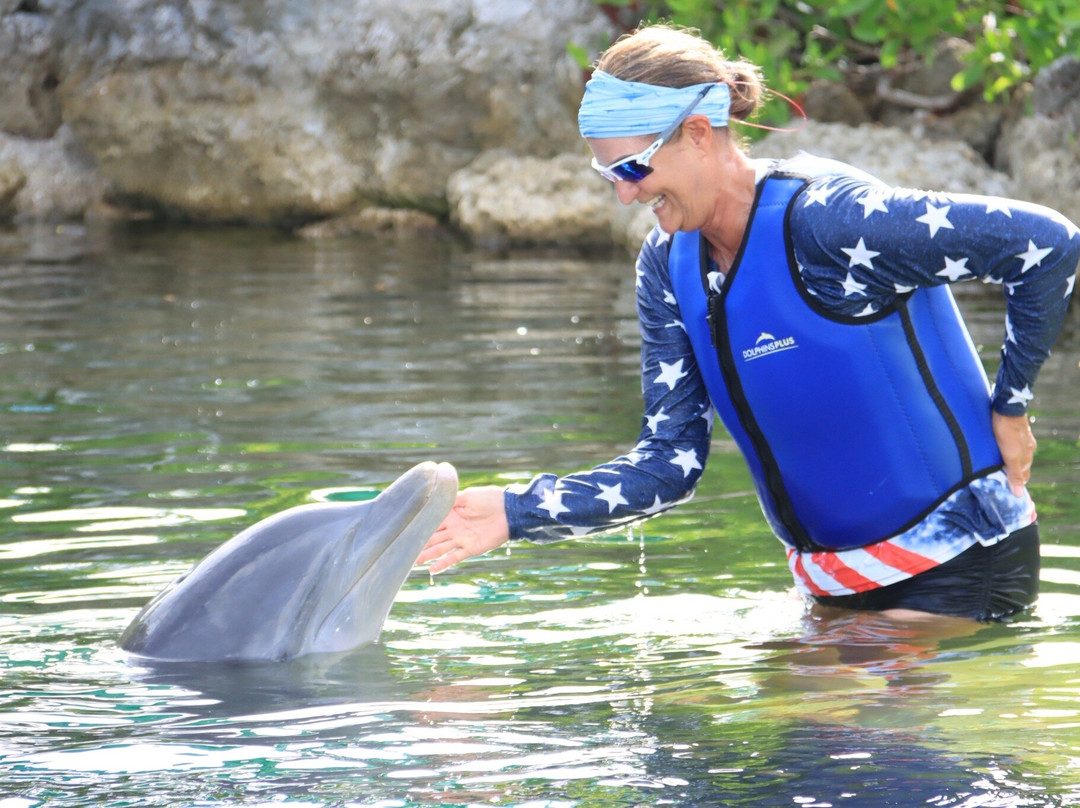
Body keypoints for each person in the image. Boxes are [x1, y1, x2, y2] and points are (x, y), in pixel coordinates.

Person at [418, 24, 1080, 622]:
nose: (624, 192)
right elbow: (669, 464)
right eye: (607, 175)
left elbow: (1047, 244)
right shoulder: (668, 265)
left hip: (960, 564)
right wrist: (515, 512)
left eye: (632, 167)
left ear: (699, 134)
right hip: (836, 587)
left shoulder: (827, 222)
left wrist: (1011, 405)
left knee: (823, 738)